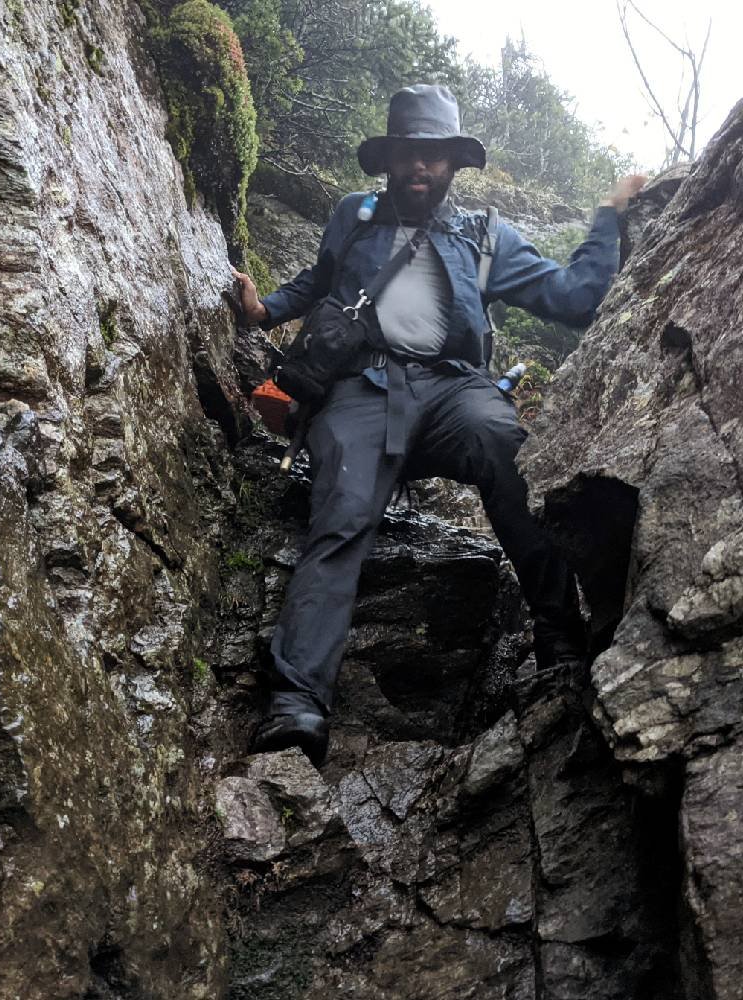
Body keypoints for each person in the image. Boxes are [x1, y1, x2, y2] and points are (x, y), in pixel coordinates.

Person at [231, 84, 646, 765]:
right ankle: (297, 704)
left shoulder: (485, 236)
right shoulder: (353, 215)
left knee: (511, 454)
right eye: (408, 154)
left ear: (455, 164)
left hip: (454, 391)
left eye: (435, 157)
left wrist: (609, 219)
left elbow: (577, 299)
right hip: (361, 386)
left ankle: (559, 642)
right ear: (389, 158)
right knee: (340, 516)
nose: (420, 168)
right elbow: (318, 281)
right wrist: (264, 311)